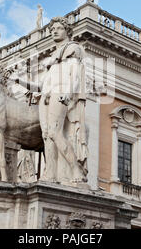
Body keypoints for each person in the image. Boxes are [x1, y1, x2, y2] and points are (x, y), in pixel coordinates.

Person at [38, 16, 88, 186]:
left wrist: (68, 93)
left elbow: (75, 74)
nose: (54, 31)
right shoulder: (53, 55)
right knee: (46, 136)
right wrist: (18, 81)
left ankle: (75, 169)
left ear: (67, 31)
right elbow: (45, 82)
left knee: (54, 132)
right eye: (52, 29)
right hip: (47, 95)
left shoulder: (72, 48)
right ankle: (50, 174)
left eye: (58, 28)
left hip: (61, 93)